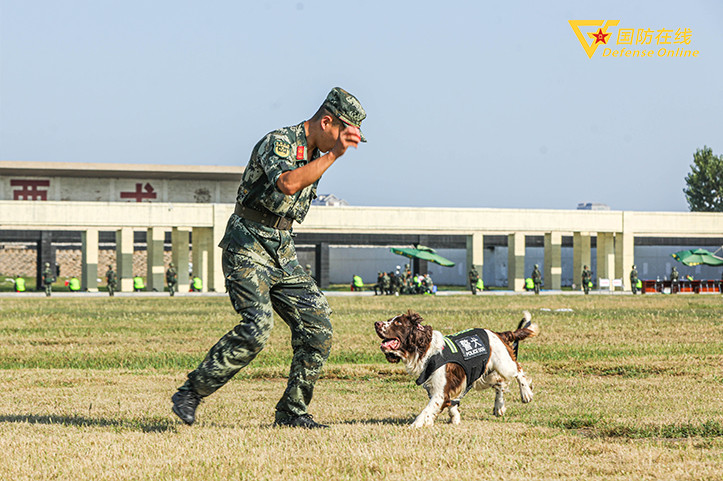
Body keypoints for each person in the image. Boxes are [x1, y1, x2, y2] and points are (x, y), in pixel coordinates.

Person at [171, 87, 365, 430]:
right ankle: (191, 392)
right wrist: (335, 154)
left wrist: (330, 152)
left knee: (317, 328)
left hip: (282, 251)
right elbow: (288, 184)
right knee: (257, 329)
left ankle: (291, 411)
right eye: (342, 134)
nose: (345, 144)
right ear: (326, 121)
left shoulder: (316, 152)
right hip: (247, 247)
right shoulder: (279, 143)